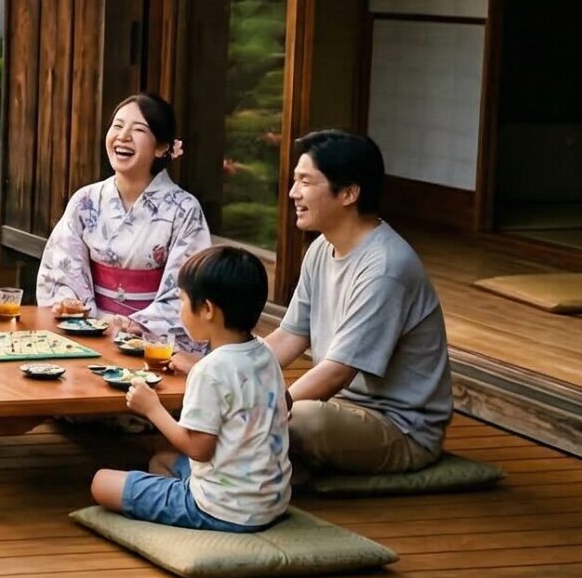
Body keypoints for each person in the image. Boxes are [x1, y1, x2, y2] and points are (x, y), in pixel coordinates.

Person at [264, 130, 455, 475]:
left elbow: (338, 371)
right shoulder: (321, 247)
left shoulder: (386, 267)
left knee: (300, 419)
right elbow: (290, 336)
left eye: (306, 182)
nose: (293, 193)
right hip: (342, 408)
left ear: (349, 193)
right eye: (295, 181)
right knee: (271, 417)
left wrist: (271, 406)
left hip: (401, 428)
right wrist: (225, 369)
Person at [90, 245, 290, 531]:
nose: (180, 310)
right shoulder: (265, 354)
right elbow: (273, 396)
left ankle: (189, 512)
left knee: (101, 483)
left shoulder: (210, 372)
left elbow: (199, 449)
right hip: (269, 501)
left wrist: (152, 409)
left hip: (221, 508)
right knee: (162, 462)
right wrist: (196, 364)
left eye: (182, 301)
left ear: (207, 309)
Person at [37, 94, 213, 352]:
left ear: (162, 147)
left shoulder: (184, 209)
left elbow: (187, 292)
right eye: (117, 126)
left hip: (153, 344)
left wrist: (133, 324)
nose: (123, 136)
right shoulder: (85, 201)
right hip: (90, 335)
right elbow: (61, 269)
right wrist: (70, 304)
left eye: (139, 129)